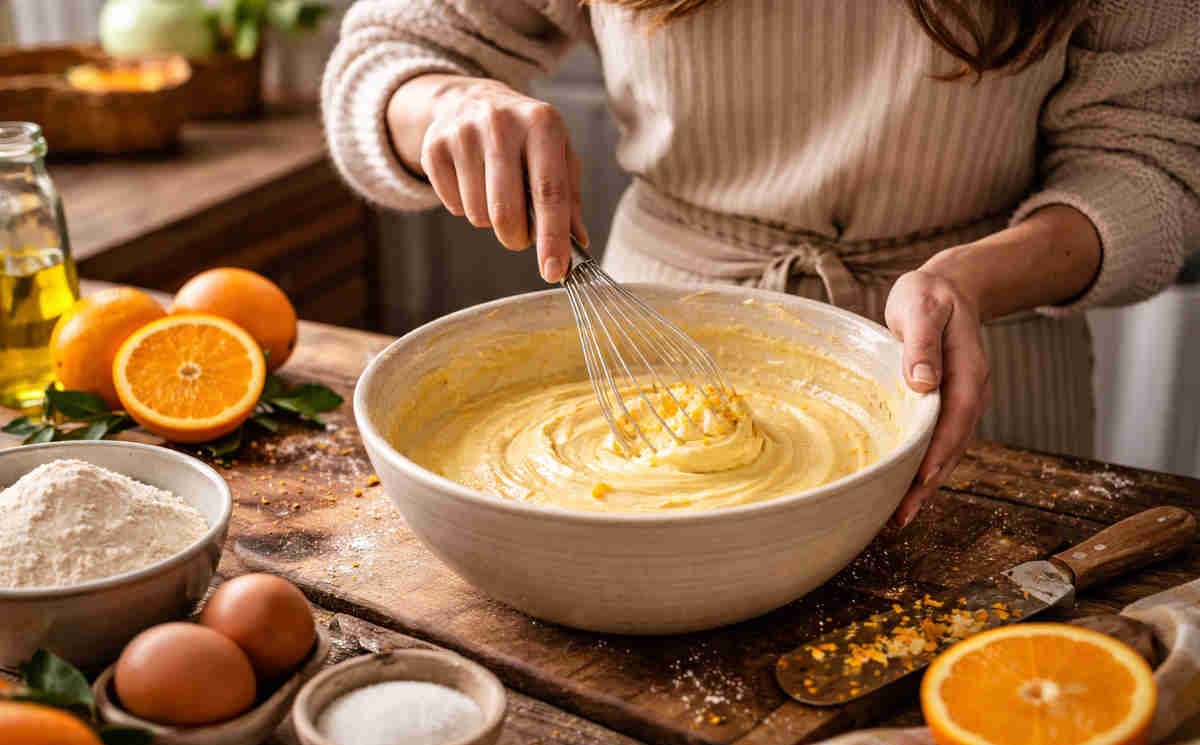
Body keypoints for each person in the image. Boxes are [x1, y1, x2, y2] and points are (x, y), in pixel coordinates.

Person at [322, 0, 1200, 527]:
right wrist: (445, 103)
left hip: (976, 382)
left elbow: (1151, 162)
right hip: (662, 322)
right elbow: (388, 56)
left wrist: (973, 278)